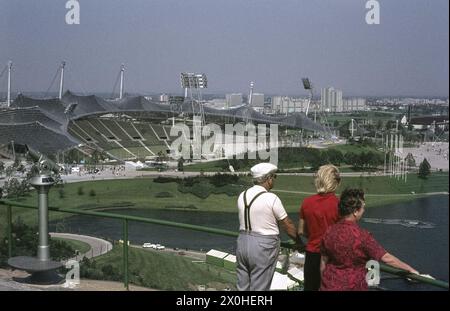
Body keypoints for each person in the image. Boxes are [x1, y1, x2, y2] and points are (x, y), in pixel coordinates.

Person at [320, 188, 418, 291]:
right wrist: (410, 270)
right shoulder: (362, 236)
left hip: (329, 285)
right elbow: (386, 258)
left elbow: (323, 262)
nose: (364, 210)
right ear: (355, 212)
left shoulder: (329, 231)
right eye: (363, 208)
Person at [236, 162, 298, 291]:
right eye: (274, 177)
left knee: (242, 287)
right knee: (259, 288)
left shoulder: (242, 195)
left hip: (242, 242)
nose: (274, 180)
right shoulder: (271, 198)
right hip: (263, 247)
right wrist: (298, 242)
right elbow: (287, 224)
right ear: (268, 179)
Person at [298, 164, 341, 291]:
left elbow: (301, 231)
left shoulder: (307, 202)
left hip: (312, 254)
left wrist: (314, 235)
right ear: (336, 182)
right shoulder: (339, 204)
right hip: (332, 256)